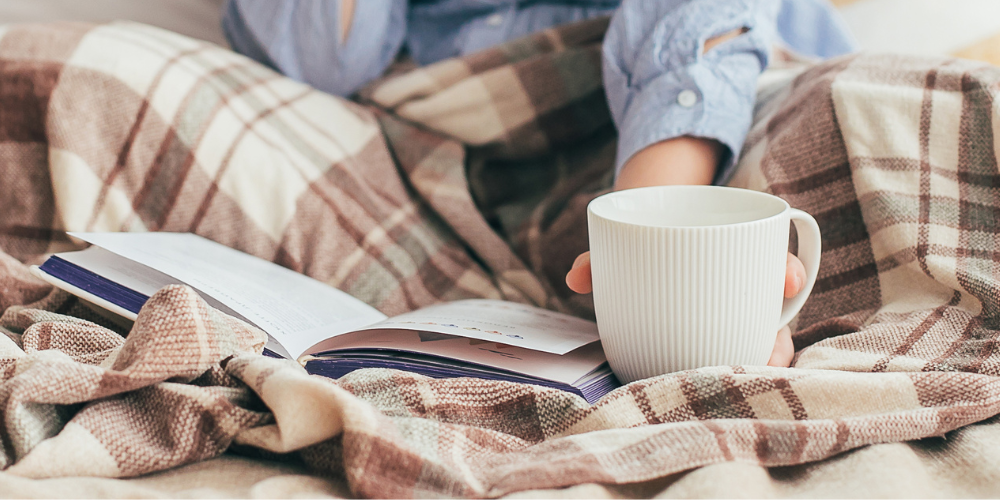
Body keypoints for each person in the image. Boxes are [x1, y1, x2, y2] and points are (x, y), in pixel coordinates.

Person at [222, 0, 857, 368]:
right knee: (127, 72)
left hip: (703, 95)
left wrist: (666, 239)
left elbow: (698, 40)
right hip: (446, 116)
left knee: (868, 118)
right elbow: (322, 59)